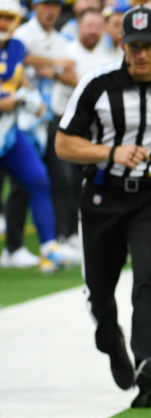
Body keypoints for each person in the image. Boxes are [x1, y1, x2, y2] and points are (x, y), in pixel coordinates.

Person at [55, 5, 151, 407]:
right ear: (120, 43)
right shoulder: (97, 84)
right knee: (100, 294)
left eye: (147, 45)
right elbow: (63, 144)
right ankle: (112, 343)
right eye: (132, 46)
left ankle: (148, 363)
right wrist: (110, 152)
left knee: (148, 275)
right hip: (102, 197)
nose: (140, 54)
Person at [0, 0, 78, 272]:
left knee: (37, 179)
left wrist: (30, 98)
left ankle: (48, 246)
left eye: (7, 18)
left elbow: (22, 79)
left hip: (9, 132)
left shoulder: (16, 47)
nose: (2, 24)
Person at [49, 8, 113, 249]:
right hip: (63, 122)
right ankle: (61, 234)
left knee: (83, 181)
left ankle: (77, 231)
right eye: (89, 25)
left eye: (98, 25)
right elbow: (59, 76)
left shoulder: (107, 59)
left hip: (92, 128)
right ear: (78, 26)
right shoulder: (66, 53)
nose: (94, 30)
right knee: (62, 179)